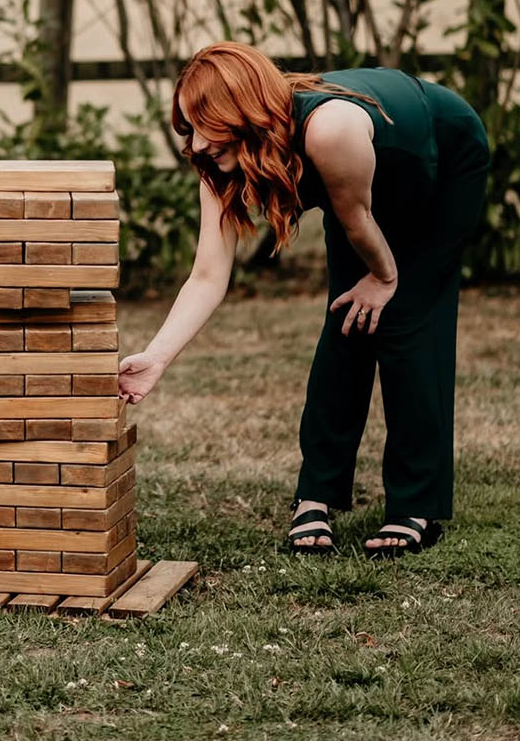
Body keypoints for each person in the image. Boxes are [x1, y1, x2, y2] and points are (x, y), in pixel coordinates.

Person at [118, 42, 489, 558]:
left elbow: (358, 220)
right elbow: (207, 276)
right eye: (188, 128)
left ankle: (415, 506)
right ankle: (316, 495)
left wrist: (384, 279)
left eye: (207, 124)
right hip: (359, 192)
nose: (198, 143)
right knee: (347, 323)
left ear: (242, 108)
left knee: (407, 320)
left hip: (440, 159)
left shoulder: (330, 128)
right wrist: (155, 358)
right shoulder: (217, 163)